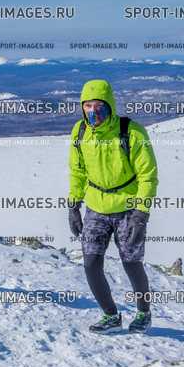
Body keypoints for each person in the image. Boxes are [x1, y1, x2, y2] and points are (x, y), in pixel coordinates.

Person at [67, 79, 158, 334]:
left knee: (131, 262)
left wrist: (141, 214)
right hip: (95, 207)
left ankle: (143, 312)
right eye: (87, 106)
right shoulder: (80, 132)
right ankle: (110, 316)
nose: (92, 111)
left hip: (128, 208)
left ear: (109, 105)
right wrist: (73, 205)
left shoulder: (132, 132)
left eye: (98, 105)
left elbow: (147, 176)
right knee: (90, 264)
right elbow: (77, 171)